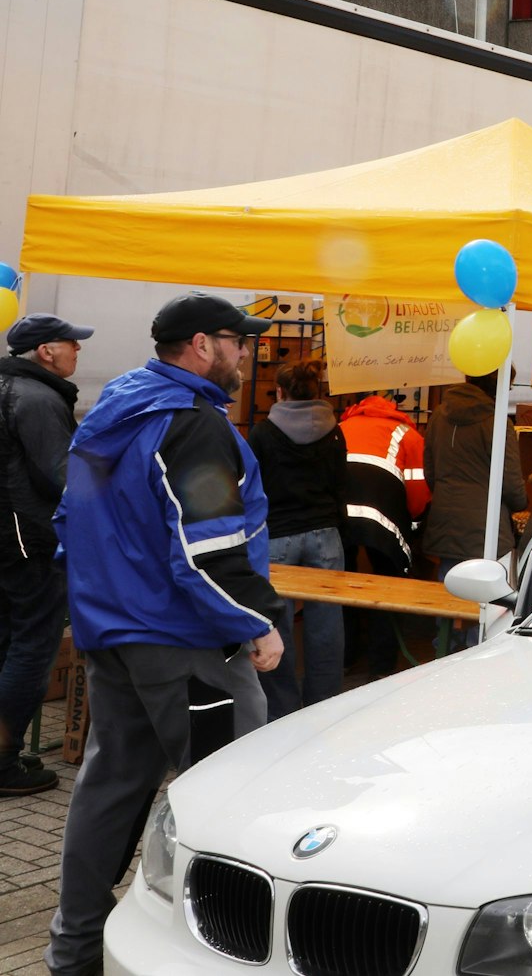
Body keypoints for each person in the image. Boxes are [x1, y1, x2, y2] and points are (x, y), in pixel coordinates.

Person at [46, 293, 283, 976]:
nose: (246, 354)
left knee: (111, 785)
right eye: (240, 341)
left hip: (111, 632)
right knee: (233, 799)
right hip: (183, 640)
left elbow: (71, 523)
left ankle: (74, 951)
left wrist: (101, 608)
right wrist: (256, 620)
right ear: (204, 345)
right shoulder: (192, 423)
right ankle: (222, 956)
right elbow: (208, 547)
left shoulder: (110, 412)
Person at [0, 313, 93, 796]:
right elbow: (66, 475)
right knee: (31, 647)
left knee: (7, 644)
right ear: (45, 352)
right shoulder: (35, 398)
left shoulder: (13, 388)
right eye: (70, 343)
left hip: (9, 540)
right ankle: (3, 761)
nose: (78, 350)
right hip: (27, 543)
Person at [247, 359, 347, 713]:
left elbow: (252, 489)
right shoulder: (335, 430)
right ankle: (324, 705)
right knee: (327, 626)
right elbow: (340, 485)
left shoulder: (262, 433)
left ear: (279, 392)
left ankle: (282, 709)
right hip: (326, 535)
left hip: (277, 536)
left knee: (277, 627)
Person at [338, 391, 429, 675]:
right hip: (384, 520)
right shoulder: (408, 435)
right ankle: (381, 667)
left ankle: (346, 656)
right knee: (388, 589)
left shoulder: (340, 428)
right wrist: (414, 524)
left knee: (341, 586)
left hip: (339, 516)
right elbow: (418, 492)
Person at [424, 370, 526, 584]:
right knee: (488, 601)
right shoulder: (497, 422)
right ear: (497, 386)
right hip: (487, 530)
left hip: (445, 523)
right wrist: (521, 503)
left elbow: (430, 473)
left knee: (447, 596)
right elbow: (511, 484)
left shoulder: (438, 416)